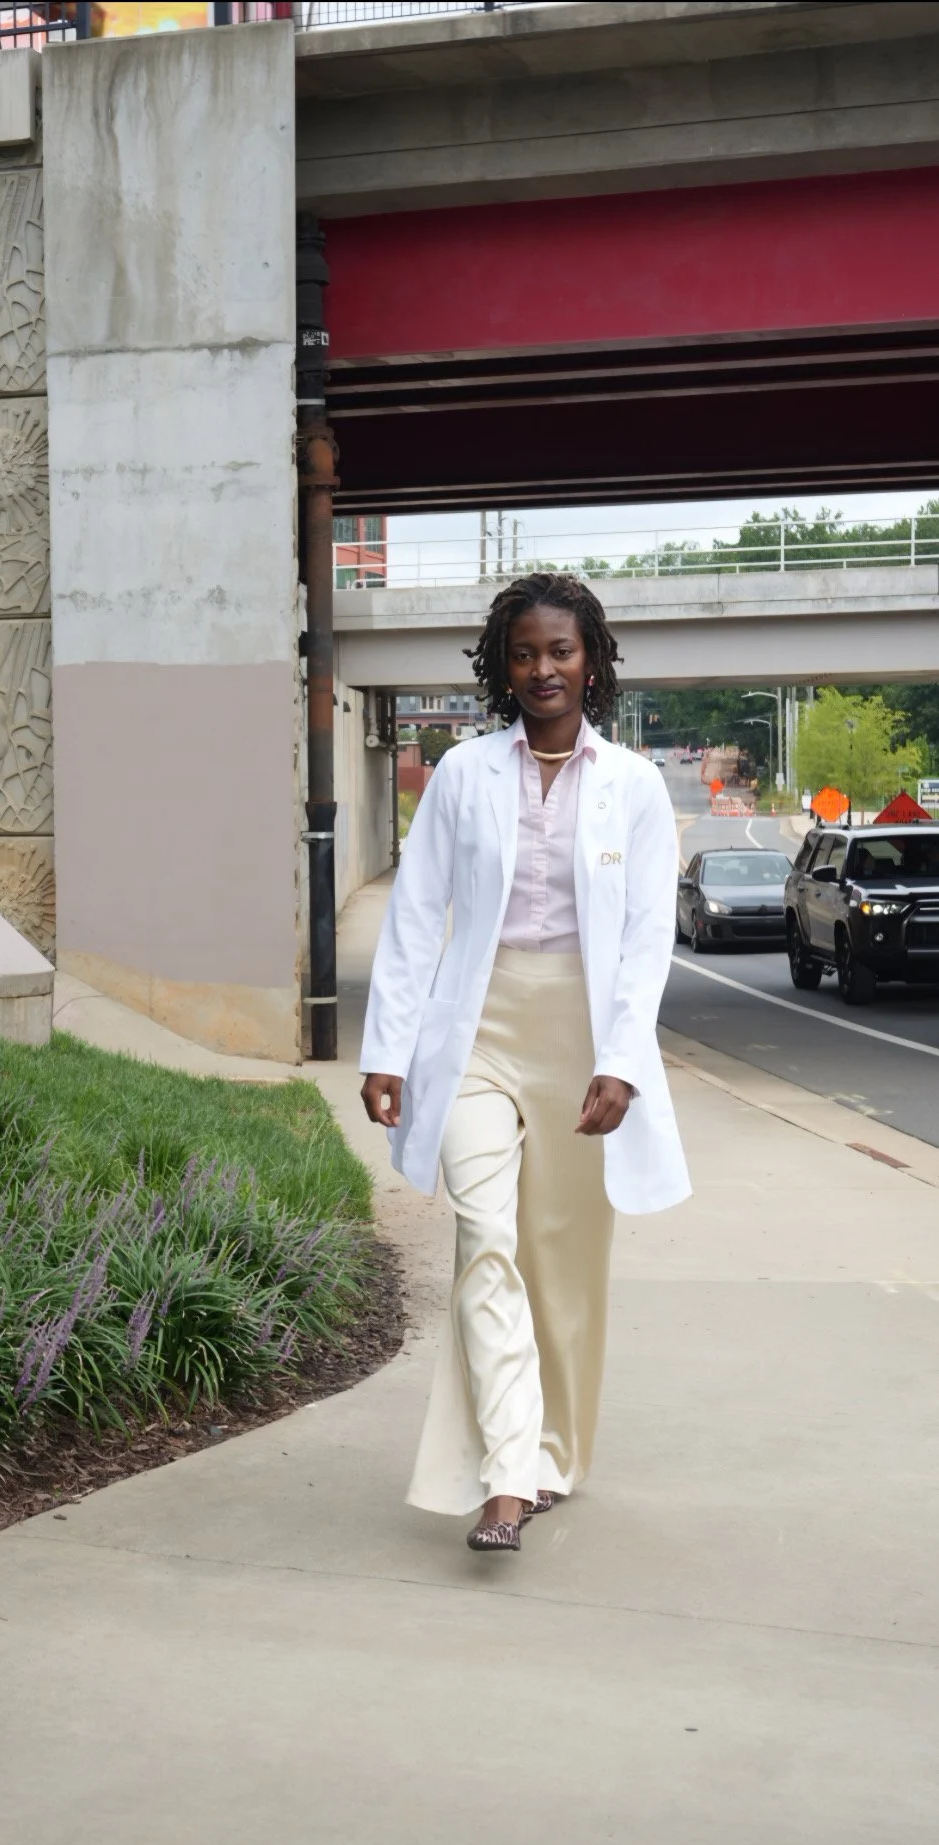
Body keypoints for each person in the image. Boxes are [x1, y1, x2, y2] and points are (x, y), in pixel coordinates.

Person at [360, 573, 690, 1553]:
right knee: (483, 1234)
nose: (543, 668)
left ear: (593, 660)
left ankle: (557, 1449)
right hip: (478, 1029)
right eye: (524, 652)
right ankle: (507, 1473)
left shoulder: (631, 784)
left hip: (581, 1036)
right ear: (501, 666)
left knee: (562, 1262)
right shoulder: (464, 773)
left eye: (561, 650)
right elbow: (418, 915)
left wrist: (622, 1060)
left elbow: (644, 938)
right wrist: (389, 1045)